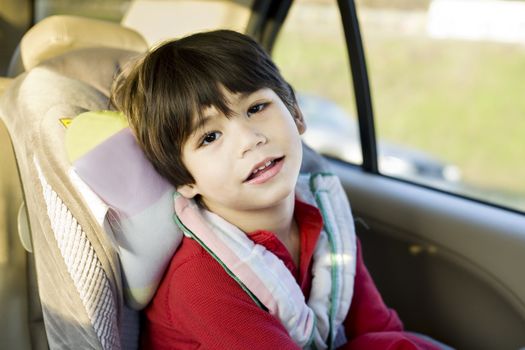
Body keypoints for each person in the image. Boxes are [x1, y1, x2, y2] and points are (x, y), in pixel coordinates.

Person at [111, 29, 440, 350]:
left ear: (296, 113)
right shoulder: (200, 280)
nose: (249, 139)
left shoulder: (326, 223)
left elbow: (381, 331)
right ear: (185, 179)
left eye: (255, 108)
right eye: (209, 137)